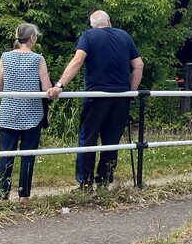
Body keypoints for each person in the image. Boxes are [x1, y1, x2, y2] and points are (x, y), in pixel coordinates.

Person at [49, 10, 143, 189]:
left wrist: (60, 85)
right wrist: (131, 92)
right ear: (109, 21)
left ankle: (85, 182)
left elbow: (77, 61)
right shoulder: (124, 35)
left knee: (88, 139)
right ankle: (104, 181)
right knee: (111, 140)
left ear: (92, 25)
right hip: (121, 96)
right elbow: (138, 65)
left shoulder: (88, 36)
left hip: (96, 96)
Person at [0, 23, 54, 200]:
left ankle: (2, 195)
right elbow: (46, 87)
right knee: (28, 155)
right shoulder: (38, 59)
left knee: (5, 155)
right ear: (33, 38)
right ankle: (23, 195)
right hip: (32, 114)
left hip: (8, 113)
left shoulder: (5, 57)